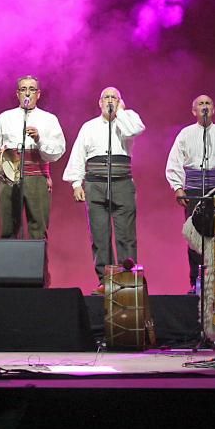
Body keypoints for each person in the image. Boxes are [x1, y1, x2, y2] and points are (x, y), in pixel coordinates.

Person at [63, 87, 145, 295]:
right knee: (100, 236)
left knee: (126, 235)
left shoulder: (128, 119)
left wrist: (121, 112)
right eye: (106, 97)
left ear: (120, 101)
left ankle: (128, 279)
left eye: (114, 97)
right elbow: (79, 154)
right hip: (95, 185)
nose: (110, 100)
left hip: (122, 183)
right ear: (99, 102)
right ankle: (105, 281)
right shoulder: (88, 127)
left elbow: (133, 131)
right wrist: (76, 184)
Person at [165, 94, 215, 294]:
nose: (204, 106)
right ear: (194, 111)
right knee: (195, 236)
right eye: (200, 104)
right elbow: (174, 161)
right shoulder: (185, 133)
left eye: (208, 103)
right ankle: (197, 282)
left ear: (213, 109)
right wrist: (177, 187)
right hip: (193, 189)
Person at [0, 75, 66, 241]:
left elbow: (58, 149)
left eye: (32, 89)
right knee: (9, 227)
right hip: (9, 176)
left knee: (38, 229)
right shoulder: (5, 117)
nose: (27, 93)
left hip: (36, 176)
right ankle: (10, 267)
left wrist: (39, 139)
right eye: (23, 89)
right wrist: (0, 158)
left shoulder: (49, 119)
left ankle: (38, 267)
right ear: (17, 94)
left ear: (38, 94)